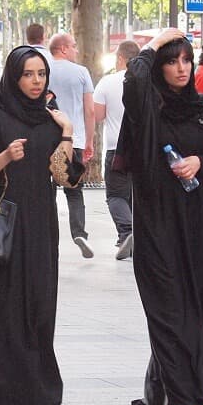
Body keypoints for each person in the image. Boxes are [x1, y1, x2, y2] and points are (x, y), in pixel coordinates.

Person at [122, 29, 203, 405]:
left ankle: (191, 389)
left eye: (187, 60)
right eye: (171, 61)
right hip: (157, 222)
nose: (181, 68)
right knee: (168, 307)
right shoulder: (148, 110)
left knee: (201, 306)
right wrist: (155, 43)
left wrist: (201, 163)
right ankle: (179, 396)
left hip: (200, 223)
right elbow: (134, 80)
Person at [0, 45, 84, 405]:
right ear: (14, 79)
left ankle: (37, 390)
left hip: (40, 228)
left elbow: (67, 178)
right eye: (28, 74)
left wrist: (67, 132)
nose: (36, 81)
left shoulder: (52, 122)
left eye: (41, 74)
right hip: (2, 228)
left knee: (38, 303)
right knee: (1, 305)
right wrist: (4, 157)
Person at [46, 32, 96, 258]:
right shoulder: (81, 72)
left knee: (47, 190)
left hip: (48, 140)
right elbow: (90, 110)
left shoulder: (43, 70)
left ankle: (48, 233)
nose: (76, 50)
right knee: (74, 190)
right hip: (74, 139)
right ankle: (79, 233)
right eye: (74, 46)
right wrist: (89, 140)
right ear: (64, 48)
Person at [92, 40, 140, 260]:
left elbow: (98, 115)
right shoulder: (147, 80)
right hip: (142, 147)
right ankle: (132, 236)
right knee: (135, 194)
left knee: (115, 195)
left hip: (116, 147)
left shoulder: (108, 81)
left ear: (120, 58)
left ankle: (127, 231)